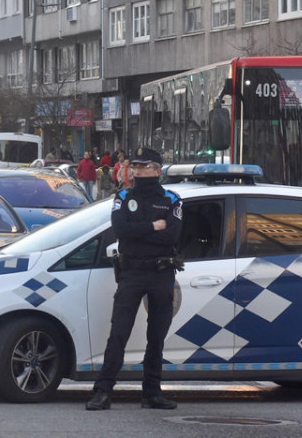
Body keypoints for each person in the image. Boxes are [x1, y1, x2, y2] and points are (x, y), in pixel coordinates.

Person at [86, 148, 183, 411]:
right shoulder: (124, 196)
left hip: (161, 273)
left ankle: (151, 393)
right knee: (118, 333)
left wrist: (138, 232)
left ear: (157, 169)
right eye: (136, 166)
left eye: (144, 166)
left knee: (157, 337)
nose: (138, 171)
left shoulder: (172, 199)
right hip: (132, 273)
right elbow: (121, 231)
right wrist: (153, 226)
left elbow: (171, 236)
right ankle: (103, 391)